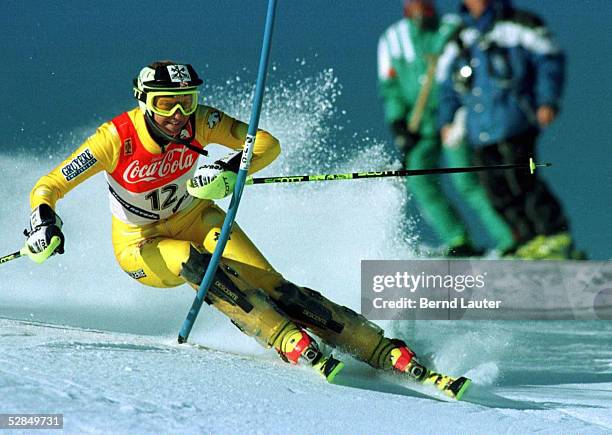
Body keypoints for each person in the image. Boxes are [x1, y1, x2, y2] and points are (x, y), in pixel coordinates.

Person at [23, 61, 469, 398]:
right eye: (165, 104)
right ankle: (282, 338)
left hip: (196, 217)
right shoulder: (114, 138)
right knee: (194, 264)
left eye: (187, 101)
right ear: (144, 101)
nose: (178, 114)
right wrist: (44, 223)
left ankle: (376, 347)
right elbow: (50, 185)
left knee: (271, 285)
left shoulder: (203, 122)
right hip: (141, 245)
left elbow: (266, 143)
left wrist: (231, 168)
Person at [438, 0, 578, 259]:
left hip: (515, 122)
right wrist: (446, 120)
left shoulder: (518, 24)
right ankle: (527, 242)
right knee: (495, 190)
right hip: (480, 132)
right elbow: (446, 86)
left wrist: (547, 100)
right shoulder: (459, 38)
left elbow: (550, 59)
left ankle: (554, 235)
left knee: (523, 180)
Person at [378, 0, 492, 257]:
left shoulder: (452, 27)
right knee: (419, 175)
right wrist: (398, 123)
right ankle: (458, 240)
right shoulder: (393, 39)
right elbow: (390, 87)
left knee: (466, 177)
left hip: (453, 117)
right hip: (419, 126)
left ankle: (509, 239)